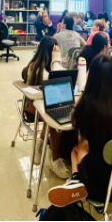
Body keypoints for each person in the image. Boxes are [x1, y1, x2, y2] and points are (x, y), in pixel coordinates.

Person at [48, 55, 112, 206]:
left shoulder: (90, 106)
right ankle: (76, 181)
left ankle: (76, 180)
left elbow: (74, 120)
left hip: (97, 186)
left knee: (77, 149)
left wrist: (85, 89)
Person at [25, 36, 77, 179]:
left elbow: (63, 80)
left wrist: (56, 60)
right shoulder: (36, 67)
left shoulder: (50, 66)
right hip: (33, 105)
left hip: (49, 104)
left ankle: (40, 145)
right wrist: (56, 60)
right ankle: (55, 160)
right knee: (54, 124)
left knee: (54, 116)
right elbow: (56, 79)